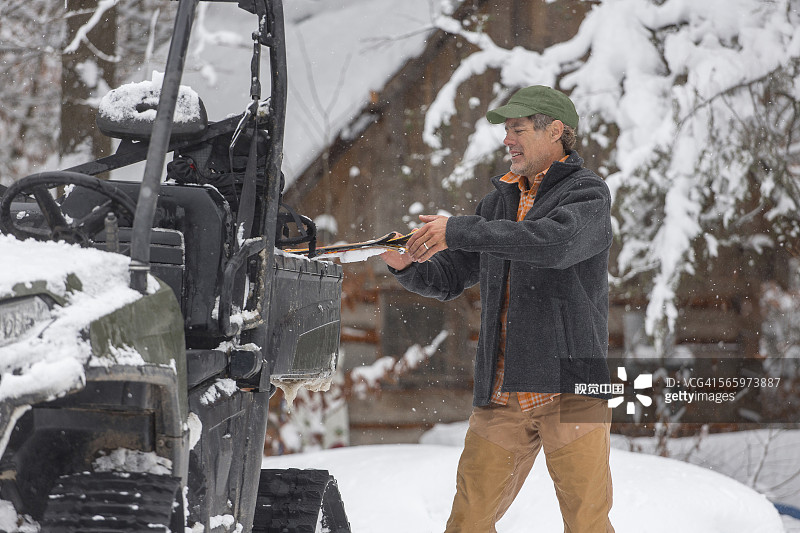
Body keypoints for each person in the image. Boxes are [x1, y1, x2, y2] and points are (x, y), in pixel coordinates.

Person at [380, 85, 614, 532]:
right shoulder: (500, 202)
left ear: (557, 132)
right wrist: (408, 267)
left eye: (518, 129)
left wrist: (463, 230)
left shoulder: (588, 196)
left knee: (587, 522)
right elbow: (451, 277)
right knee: (468, 521)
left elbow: (553, 243)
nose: (508, 140)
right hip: (503, 391)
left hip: (573, 387)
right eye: (506, 131)